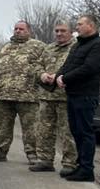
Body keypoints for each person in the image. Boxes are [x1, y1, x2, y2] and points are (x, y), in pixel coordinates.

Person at [0, 20, 47, 163]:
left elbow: (46, 66)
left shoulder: (38, 47)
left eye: (21, 29)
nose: (18, 31)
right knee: (1, 125)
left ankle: (33, 154)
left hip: (28, 95)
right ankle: (0, 151)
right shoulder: (5, 48)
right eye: (16, 28)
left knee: (31, 127)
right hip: (5, 94)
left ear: (29, 31)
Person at [57, 14, 100, 182]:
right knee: (76, 131)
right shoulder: (78, 45)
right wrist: (57, 78)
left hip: (86, 96)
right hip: (73, 94)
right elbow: (68, 65)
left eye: (80, 24)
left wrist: (66, 78)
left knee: (85, 133)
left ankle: (87, 170)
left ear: (91, 26)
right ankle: (80, 166)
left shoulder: (98, 45)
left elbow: (89, 68)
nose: (77, 27)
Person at [31, 21, 78, 174]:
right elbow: (36, 66)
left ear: (71, 32)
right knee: (44, 130)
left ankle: (70, 163)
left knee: (68, 132)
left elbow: (81, 68)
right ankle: (45, 160)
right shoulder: (48, 48)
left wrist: (61, 76)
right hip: (47, 96)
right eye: (56, 31)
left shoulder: (77, 48)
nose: (59, 34)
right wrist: (42, 75)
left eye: (63, 31)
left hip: (67, 96)